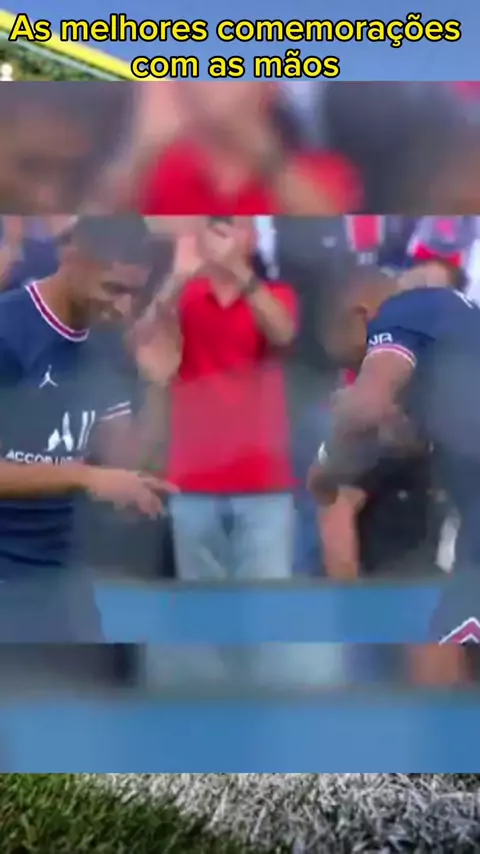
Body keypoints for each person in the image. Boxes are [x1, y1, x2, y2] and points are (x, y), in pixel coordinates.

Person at [0, 214, 177, 641]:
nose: (124, 307)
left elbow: (126, 463)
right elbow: (96, 477)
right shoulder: (8, 331)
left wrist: (158, 384)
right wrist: (85, 476)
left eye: (134, 292)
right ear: (73, 259)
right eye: (113, 288)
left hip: (64, 575)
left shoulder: (107, 340)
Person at [307, 266, 480, 681]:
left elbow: (366, 406)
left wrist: (325, 463)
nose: (357, 368)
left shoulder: (402, 312)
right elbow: (405, 435)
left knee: (439, 645)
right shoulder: (453, 327)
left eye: (356, 358)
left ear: (361, 315)